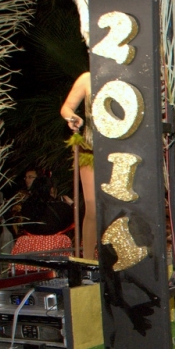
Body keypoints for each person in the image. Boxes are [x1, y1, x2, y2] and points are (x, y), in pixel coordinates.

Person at [60, 71, 97, 259]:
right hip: (91, 149)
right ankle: (89, 262)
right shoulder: (87, 78)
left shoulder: (127, 74)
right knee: (93, 207)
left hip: (122, 150)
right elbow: (66, 108)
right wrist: (71, 117)